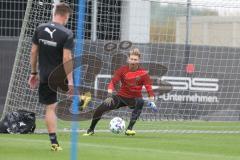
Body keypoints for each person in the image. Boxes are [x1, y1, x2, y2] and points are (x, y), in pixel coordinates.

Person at [28, 3, 74, 151]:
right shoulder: (67, 33)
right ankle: (80, 100)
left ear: (55, 13)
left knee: (50, 107)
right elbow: (67, 58)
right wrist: (71, 81)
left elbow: (33, 52)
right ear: (65, 16)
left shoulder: (40, 28)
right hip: (58, 75)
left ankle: (54, 142)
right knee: (54, 107)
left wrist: (34, 73)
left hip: (44, 75)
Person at [83, 48, 157, 136]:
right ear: (128, 59)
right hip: (121, 97)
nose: (133, 61)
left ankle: (129, 129)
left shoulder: (143, 74)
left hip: (134, 99)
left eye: (135, 59)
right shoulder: (122, 70)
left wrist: (152, 101)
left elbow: (149, 89)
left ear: (139, 60)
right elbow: (112, 82)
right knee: (100, 109)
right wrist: (109, 94)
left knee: (140, 101)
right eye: (132, 59)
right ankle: (91, 130)